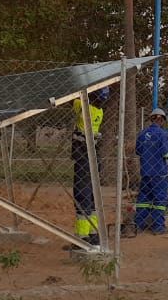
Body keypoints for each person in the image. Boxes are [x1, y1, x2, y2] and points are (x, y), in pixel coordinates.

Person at [72, 88, 108, 246]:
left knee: (82, 195)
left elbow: (75, 97)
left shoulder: (83, 107)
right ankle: (94, 234)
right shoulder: (100, 112)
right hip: (93, 159)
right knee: (91, 197)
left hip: (83, 159)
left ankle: (82, 237)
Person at [134, 108, 168, 234]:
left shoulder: (142, 133)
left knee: (143, 198)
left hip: (145, 171)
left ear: (151, 119)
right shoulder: (163, 134)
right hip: (159, 172)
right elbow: (166, 153)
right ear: (162, 120)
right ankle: (158, 227)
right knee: (159, 200)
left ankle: (139, 225)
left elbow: (138, 151)